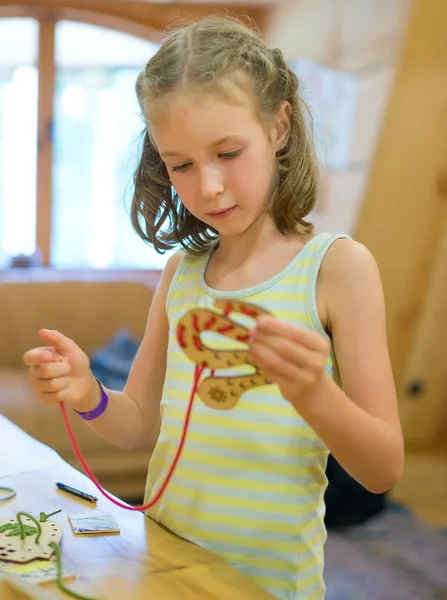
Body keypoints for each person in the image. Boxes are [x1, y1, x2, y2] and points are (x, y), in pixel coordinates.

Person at [23, 16, 404, 600]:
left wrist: (313, 393)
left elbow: (382, 470)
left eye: (228, 152)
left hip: (270, 588)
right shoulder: (181, 273)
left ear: (278, 125)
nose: (209, 188)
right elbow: (138, 426)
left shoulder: (337, 270)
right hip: (166, 570)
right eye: (181, 164)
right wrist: (89, 393)